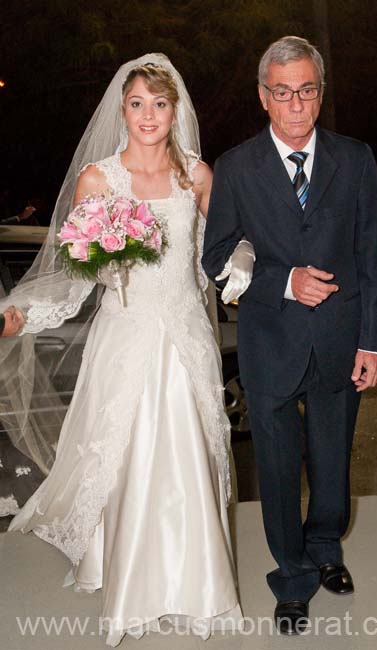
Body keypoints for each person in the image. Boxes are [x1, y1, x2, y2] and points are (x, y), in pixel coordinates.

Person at [5, 54, 242, 645]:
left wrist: (247, 267)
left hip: (186, 335)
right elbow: (75, 276)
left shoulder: (198, 177)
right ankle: (126, 574)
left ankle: (197, 582)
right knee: (128, 453)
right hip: (125, 334)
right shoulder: (98, 180)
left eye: (160, 104)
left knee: (188, 451)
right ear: (123, 109)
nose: (148, 115)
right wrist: (23, 313)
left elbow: (230, 248)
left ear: (175, 110)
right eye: (137, 103)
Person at [203, 35, 377, 634]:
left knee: (332, 465)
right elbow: (218, 256)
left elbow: (370, 256)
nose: (297, 105)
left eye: (307, 90)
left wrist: (372, 341)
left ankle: (326, 549)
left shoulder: (355, 159)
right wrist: (284, 282)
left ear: (320, 92)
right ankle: (292, 576)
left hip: (340, 341)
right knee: (279, 469)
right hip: (270, 344)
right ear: (264, 98)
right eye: (283, 93)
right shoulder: (234, 168)